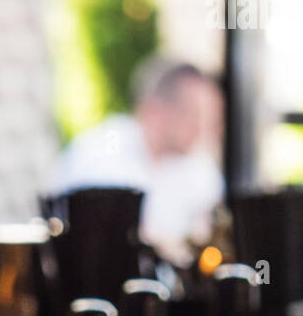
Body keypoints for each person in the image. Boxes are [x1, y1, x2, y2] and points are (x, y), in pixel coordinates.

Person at [50, 58, 224, 262]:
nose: (201, 128)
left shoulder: (199, 169)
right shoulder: (99, 155)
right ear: (154, 110)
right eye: (193, 114)